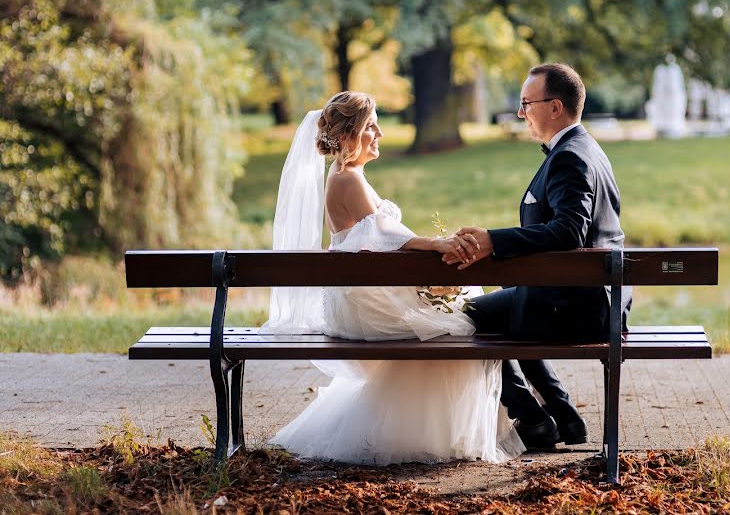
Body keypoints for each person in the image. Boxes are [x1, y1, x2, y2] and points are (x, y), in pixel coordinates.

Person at [264, 91, 524, 465]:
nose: (380, 133)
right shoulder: (347, 180)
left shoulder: (347, 176)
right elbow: (384, 236)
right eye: (371, 126)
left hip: (360, 296)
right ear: (349, 136)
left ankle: (481, 423)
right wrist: (437, 245)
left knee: (461, 315)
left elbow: (380, 241)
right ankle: (445, 431)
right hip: (363, 305)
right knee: (464, 325)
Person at [444, 63, 631, 449]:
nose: (520, 113)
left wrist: (493, 242)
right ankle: (563, 418)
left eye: (526, 103)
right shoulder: (585, 148)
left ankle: (533, 418)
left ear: (555, 108)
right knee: (508, 309)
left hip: (576, 307)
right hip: (591, 299)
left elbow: (569, 231)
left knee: (464, 320)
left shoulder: (570, 158)